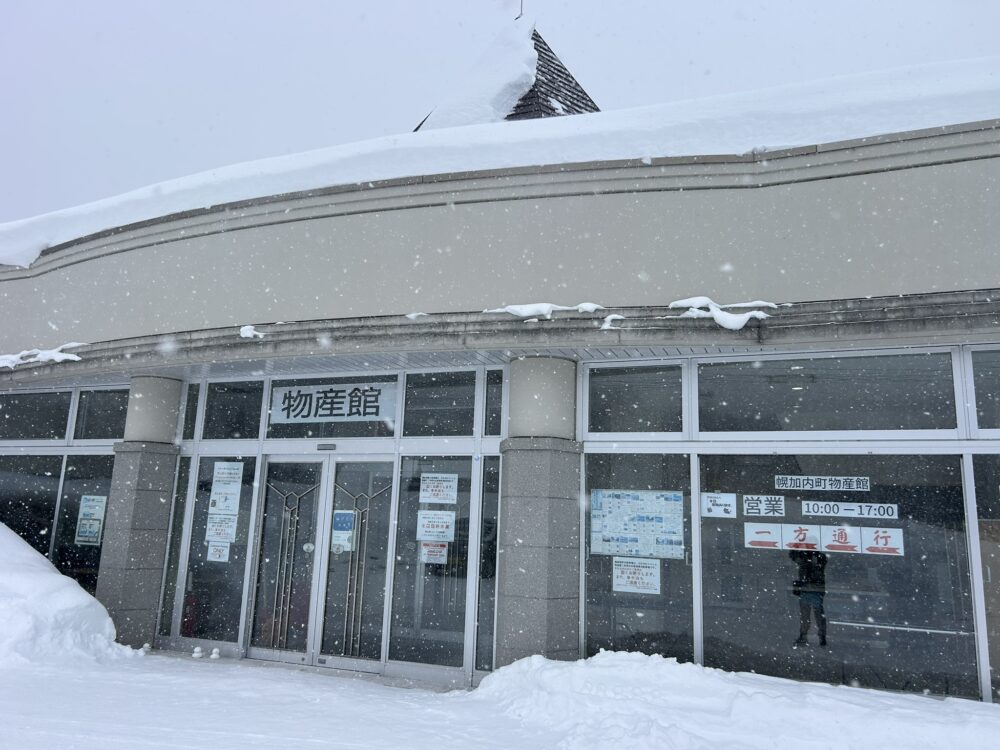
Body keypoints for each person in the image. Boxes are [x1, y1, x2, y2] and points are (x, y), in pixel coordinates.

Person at [789, 543, 828, 647]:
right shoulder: (819, 557)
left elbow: (794, 557)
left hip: (808, 590)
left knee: (807, 615)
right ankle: (820, 637)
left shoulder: (807, 556)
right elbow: (795, 557)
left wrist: (796, 547)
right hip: (814, 590)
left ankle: (805, 636)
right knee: (817, 615)